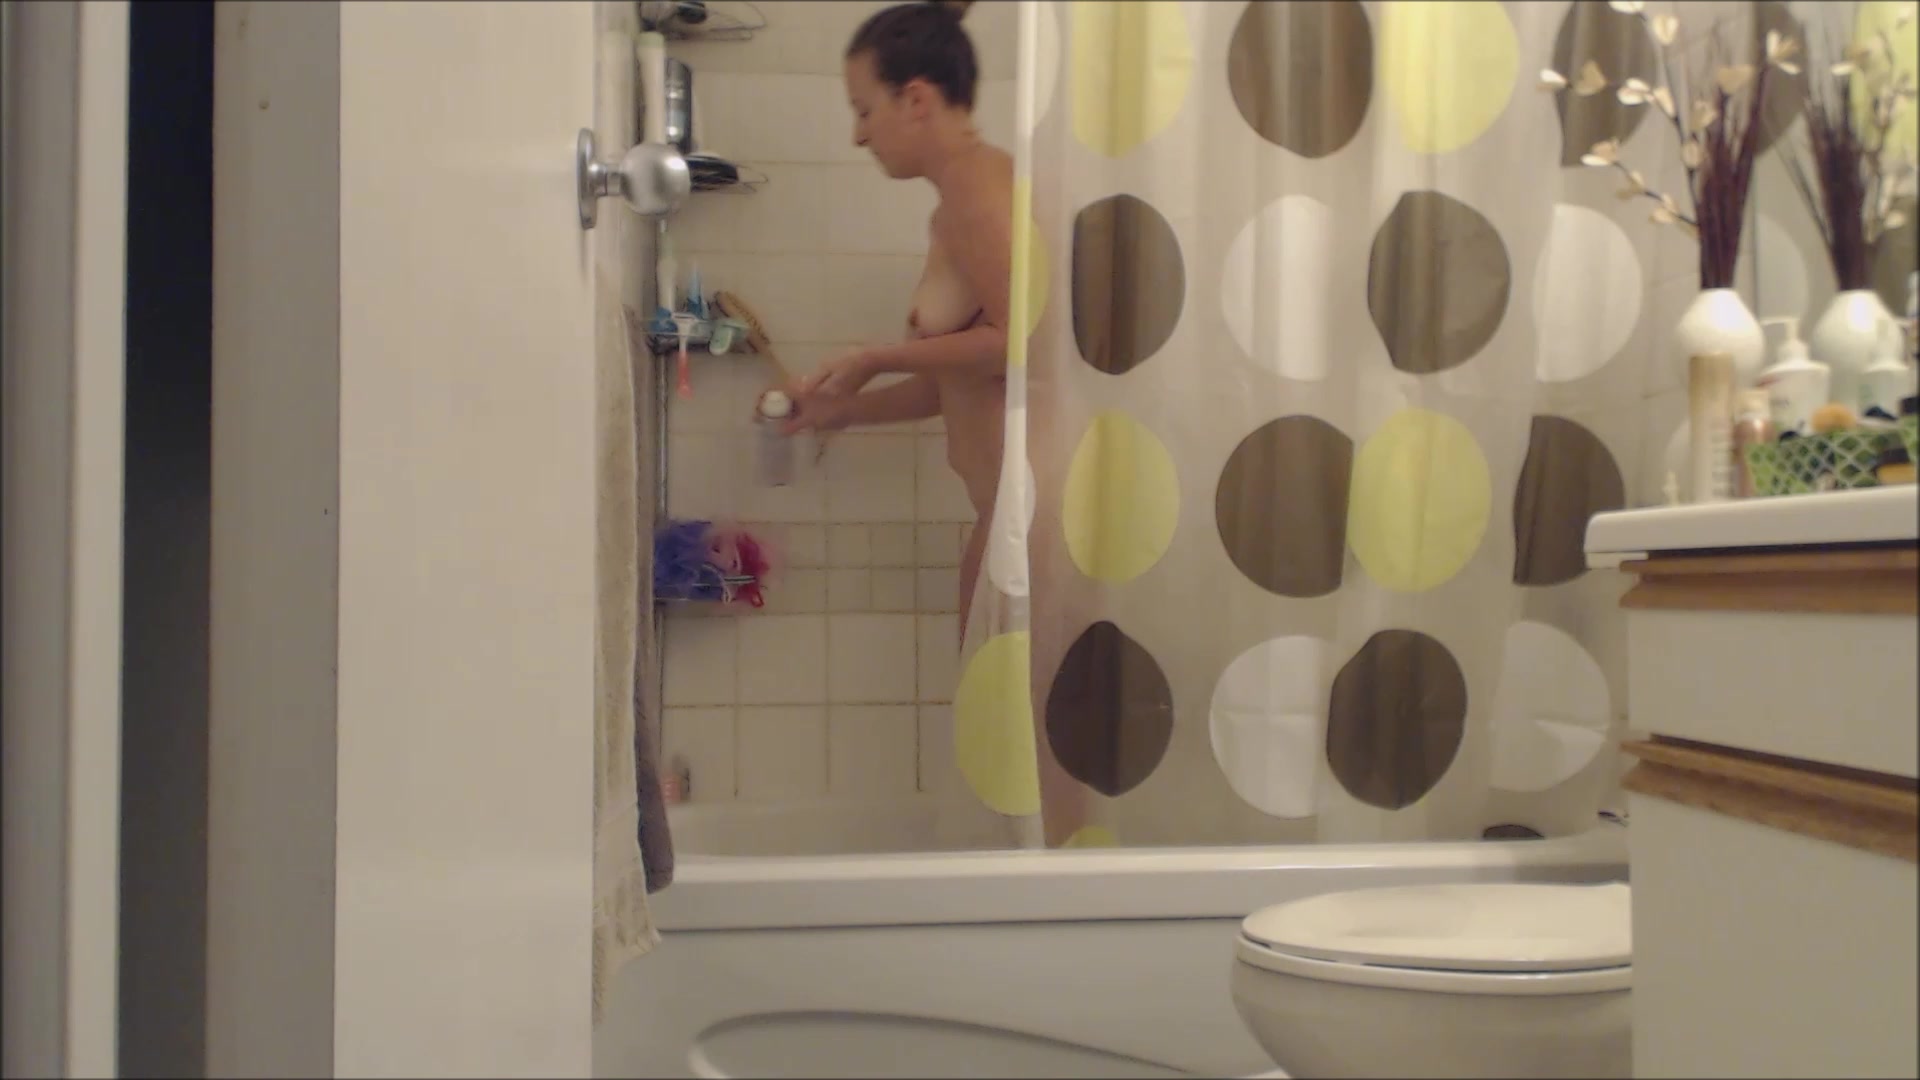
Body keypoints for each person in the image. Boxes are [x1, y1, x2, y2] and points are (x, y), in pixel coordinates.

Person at [775, 0, 1010, 639]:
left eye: (863, 110)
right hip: (1007, 519)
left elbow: (1022, 344)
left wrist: (877, 357)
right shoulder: (960, 199)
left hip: (1029, 526)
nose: (858, 135)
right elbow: (959, 380)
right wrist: (843, 410)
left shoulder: (979, 191)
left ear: (915, 100)